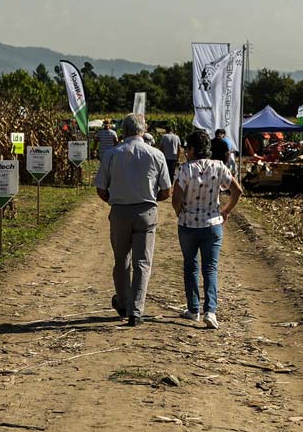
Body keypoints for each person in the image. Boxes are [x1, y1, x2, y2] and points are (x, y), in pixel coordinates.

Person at [94, 113, 173, 325]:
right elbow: (167, 191)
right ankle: (136, 311)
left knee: (121, 260)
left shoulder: (111, 154)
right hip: (146, 212)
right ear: (143, 130)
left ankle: (122, 302)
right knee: (142, 263)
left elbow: (101, 189)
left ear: (124, 131)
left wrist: (115, 200)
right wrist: (149, 198)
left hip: (119, 211)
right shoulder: (156, 154)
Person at [173, 144, 243, 328]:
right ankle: (210, 311)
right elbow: (237, 191)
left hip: (188, 225)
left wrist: (180, 212)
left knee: (191, 266)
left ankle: (193, 309)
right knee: (210, 268)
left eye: (187, 149)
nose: (186, 152)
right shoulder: (219, 166)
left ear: (193, 150)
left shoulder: (185, 169)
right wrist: (225, 211)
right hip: (212, 225)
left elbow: (176, 198)